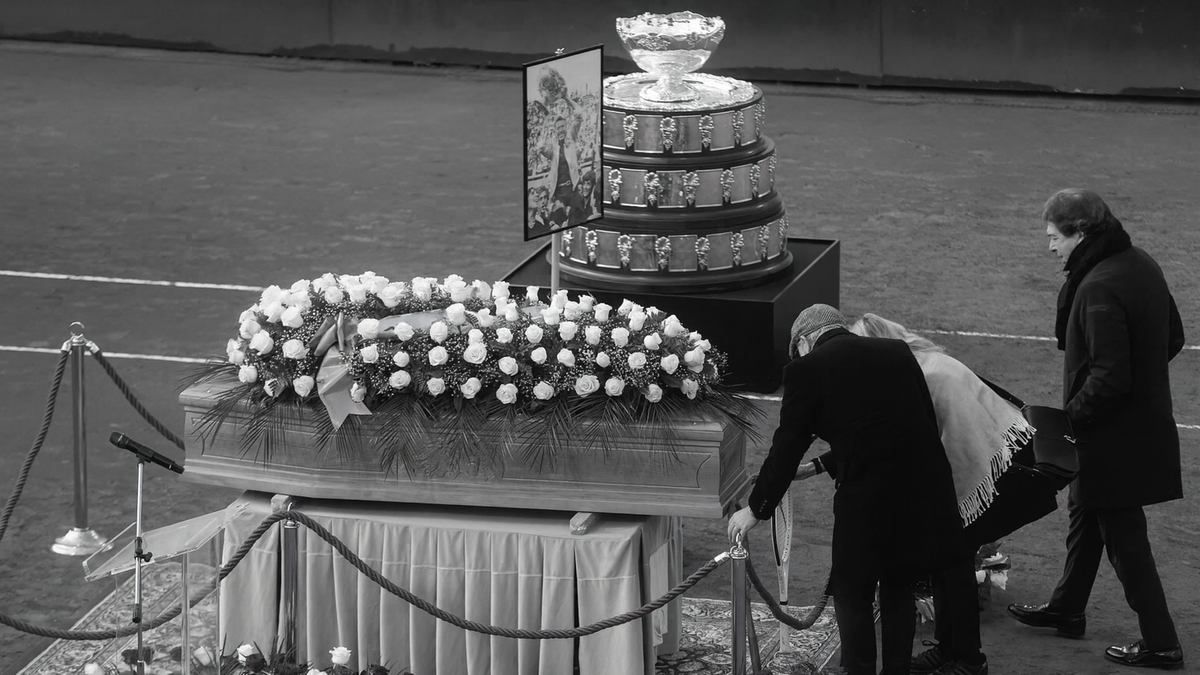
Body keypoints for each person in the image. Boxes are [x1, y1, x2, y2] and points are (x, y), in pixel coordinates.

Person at [728, 304, 964, 675]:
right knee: (898, 591)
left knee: (853, 593)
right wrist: (823, 464)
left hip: (866, 501)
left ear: (805, 341)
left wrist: (757, 509)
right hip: (919, 493)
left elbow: (787, 445)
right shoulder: (896, 352)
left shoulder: (806, 369)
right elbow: (900, 426)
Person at [1008, 189, 1185, 670]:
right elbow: (1174, 336)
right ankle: (1067, 609)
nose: (1050, 248)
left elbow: (1109, 378)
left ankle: (1161, 642)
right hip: (1134, 429)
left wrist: (1069, 419)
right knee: (1085, 512)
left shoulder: (1098, 287)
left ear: (1080, 232)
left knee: (1125, 539)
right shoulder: (1141, 263)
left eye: (1054, 237)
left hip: (1112, 439)